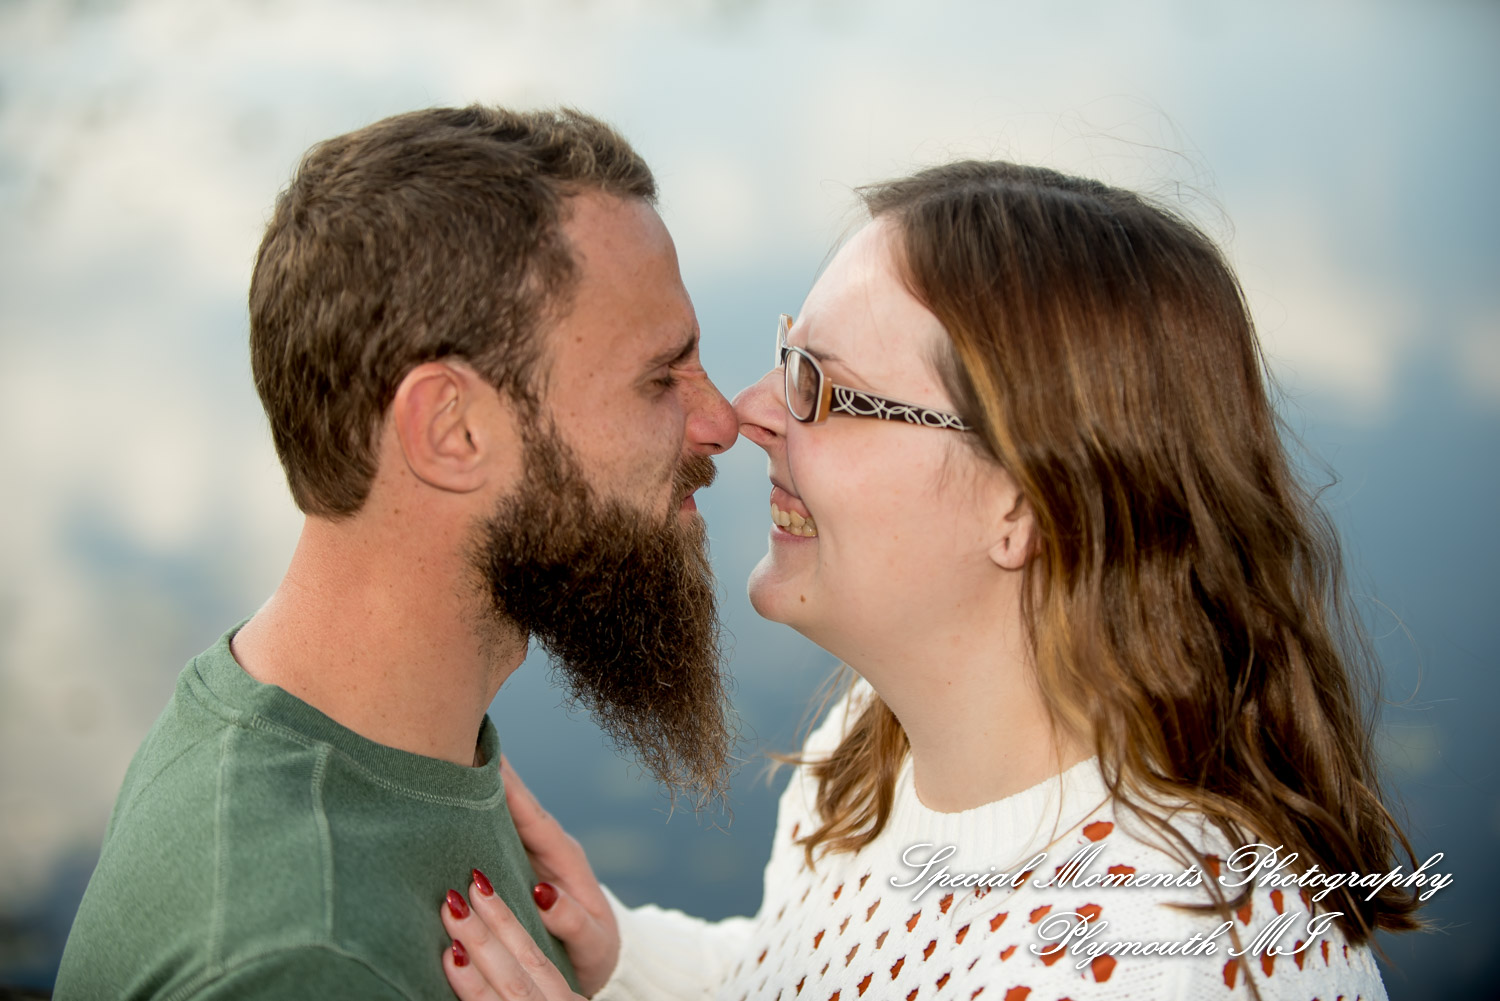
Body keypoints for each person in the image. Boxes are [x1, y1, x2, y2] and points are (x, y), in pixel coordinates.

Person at [437, 160, 1423, 1000]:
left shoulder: (1151, 958)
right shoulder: (871, 752)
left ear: (1022, 505)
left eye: (819, 384)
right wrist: (621, 952)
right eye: (786, 356)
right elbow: (805, 974)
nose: (747, 411)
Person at [53, 105, 740, 999]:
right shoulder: (302, 962)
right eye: (660, 378)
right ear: (450, 430)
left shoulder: (335, 720)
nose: (722, 421)